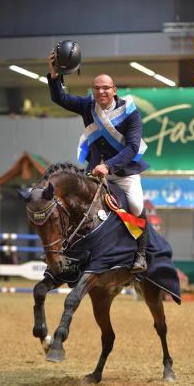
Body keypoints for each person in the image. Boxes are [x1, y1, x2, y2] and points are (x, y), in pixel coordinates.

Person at [47, 50, 149, 272]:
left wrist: (109, 166)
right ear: (93, 91)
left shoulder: (130, 112)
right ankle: (68, 251)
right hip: (94, 172)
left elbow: (132, 147)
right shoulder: (87, 105)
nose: (101, 91)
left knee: (137, 205)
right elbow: (59, 98)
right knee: (74, 205)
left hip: (124, 173)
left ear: (114, 90)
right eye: (97, 88)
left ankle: (140, 254)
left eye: (106, 88)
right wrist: (55, 74)